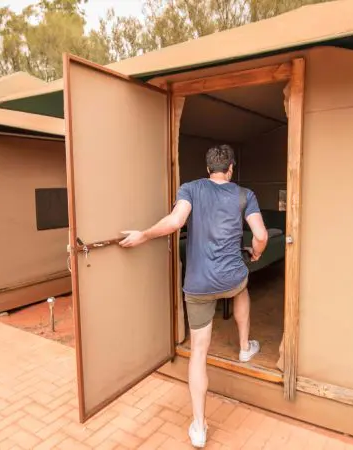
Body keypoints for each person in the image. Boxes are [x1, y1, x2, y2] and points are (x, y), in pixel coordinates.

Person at [119, 144, 268, 448]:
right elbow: (262, 235)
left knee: (199, 351)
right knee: (242, 288)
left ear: (207, 169)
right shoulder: (244, 194)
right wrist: (255, 252)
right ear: (231, 168)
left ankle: (199, 427)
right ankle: (244, 347)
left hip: (198, 285)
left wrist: (143, 235)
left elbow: (175, 223)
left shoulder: (191, 188)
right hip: (232, 278)